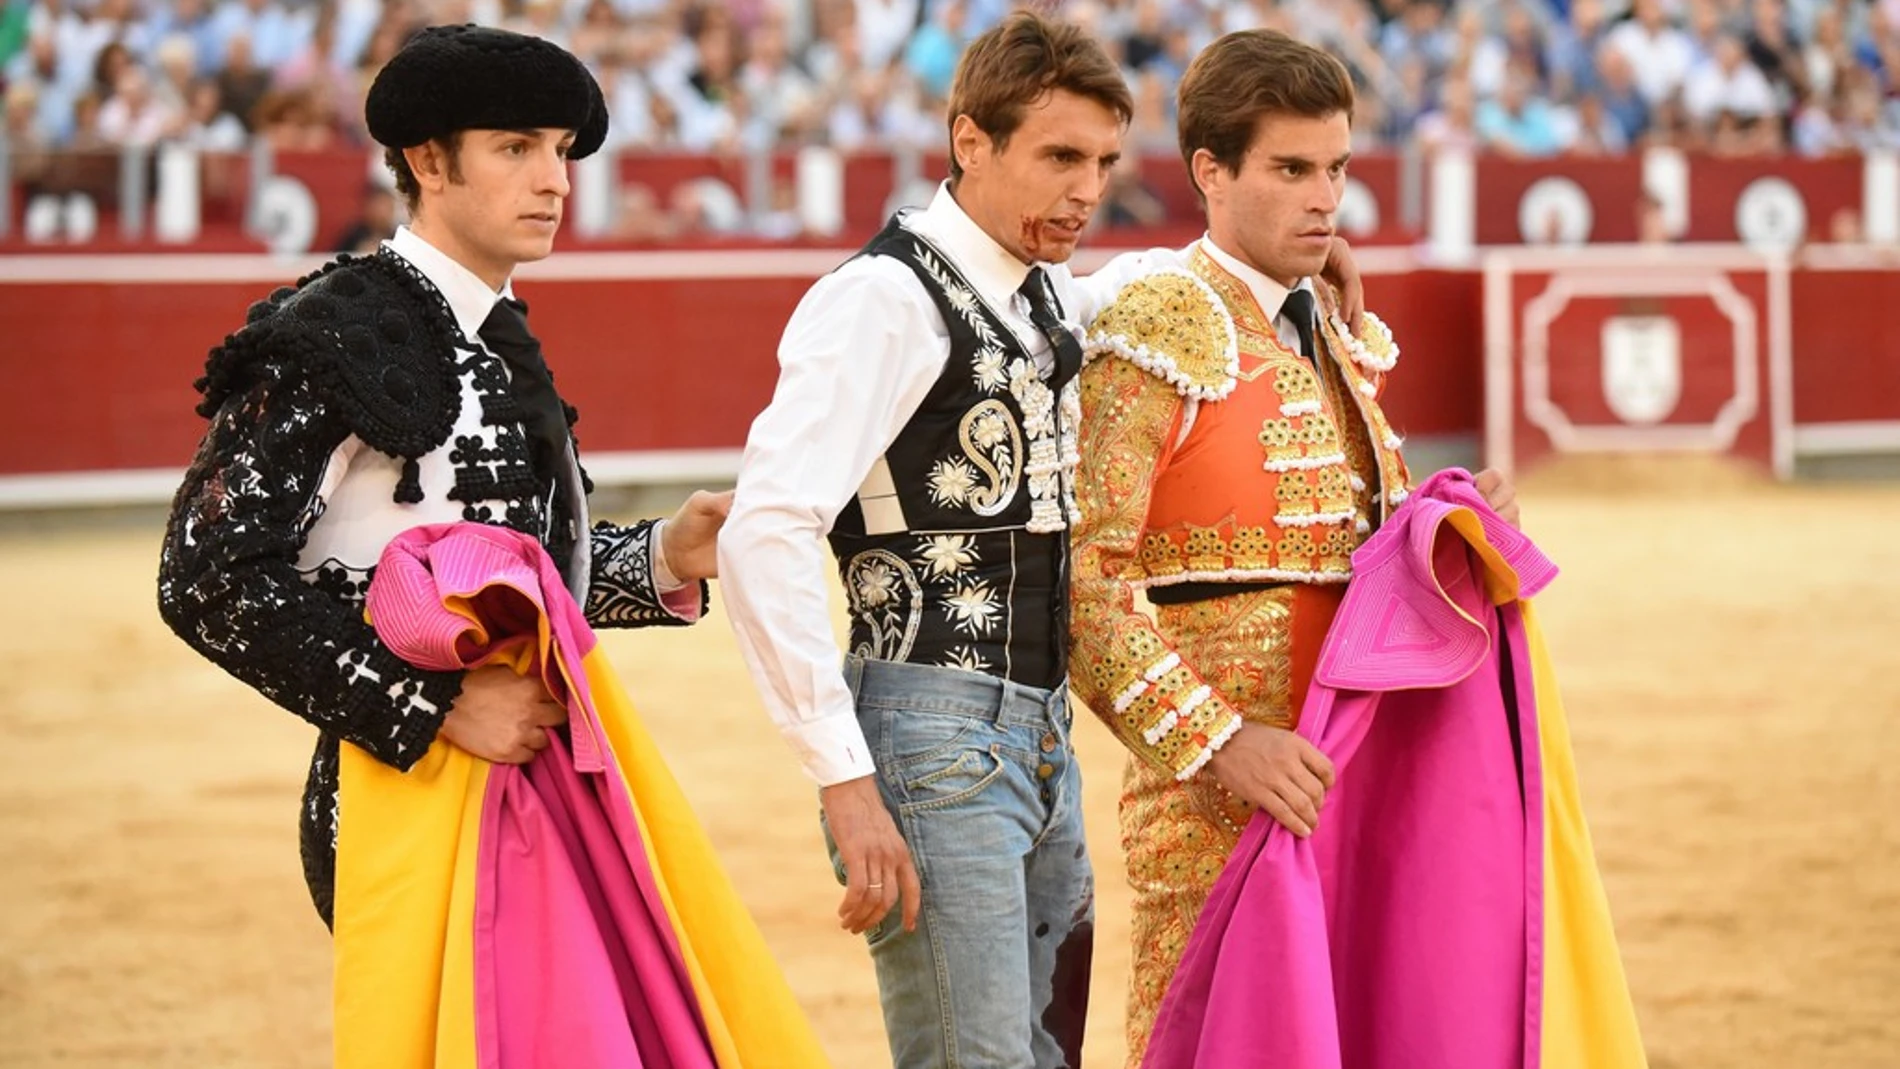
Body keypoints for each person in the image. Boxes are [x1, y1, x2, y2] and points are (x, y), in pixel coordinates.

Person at [719, 11, 1367, 1068]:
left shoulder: (1039, 296)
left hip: (1040, 737)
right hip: (925, 731)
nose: (1085, 189)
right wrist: (840, 773)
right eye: (1058, 156)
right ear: (969, 141)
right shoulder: (882, 301)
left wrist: (1306, 249)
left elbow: (1152, 280)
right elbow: (767, 529)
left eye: (1104, 161)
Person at [156, 24, 730, 931]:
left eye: (559, 151)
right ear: (427, 160)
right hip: (399, 786)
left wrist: (666, 554)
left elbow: (520, 579)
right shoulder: (336, 331)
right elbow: (205, 573)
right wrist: (434, 704)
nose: (556, 181)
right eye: (515, 149)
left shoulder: (501, 337)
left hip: (531, 778)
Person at [1063, 29, 1519, 1066]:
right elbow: (1084, 583)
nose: (1325, 199)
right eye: (1290, 170)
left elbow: (1361, 558)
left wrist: (1456, 525)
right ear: (1209, 173)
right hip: (1214, 800)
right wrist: (1221, 743)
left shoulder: (1324, 330)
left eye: (1337, 170)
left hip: (1355, 781)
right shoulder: (1161, 320)